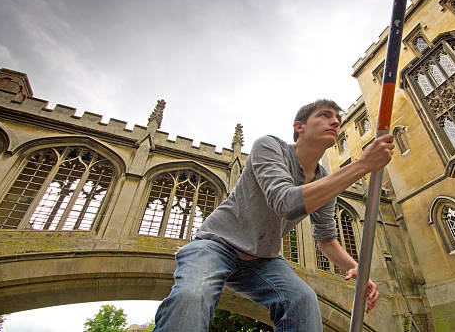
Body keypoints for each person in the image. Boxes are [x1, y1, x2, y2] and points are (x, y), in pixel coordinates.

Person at [153, 99, 395, 332]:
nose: (335, 122)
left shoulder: (325, 181)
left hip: (263, 259)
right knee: (192, 295)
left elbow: (326, 239)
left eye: (337, 119)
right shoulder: (269, 146)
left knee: (303, 300)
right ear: (299, 126)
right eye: (324, 115)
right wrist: (362, 166)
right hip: (216, 245)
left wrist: (357, 268)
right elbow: (286, 202)